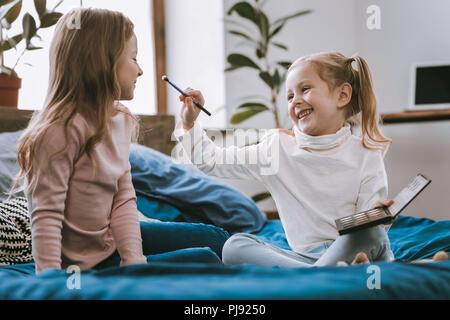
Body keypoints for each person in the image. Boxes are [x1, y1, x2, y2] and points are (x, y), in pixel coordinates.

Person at [8, 8, 228, 275]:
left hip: (110, 243)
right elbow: (46, 215)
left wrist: (133, 259)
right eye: (134, 58)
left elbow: (123, 198)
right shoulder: (57, 131)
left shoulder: (120, 120)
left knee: (217, 239)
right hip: (78, 266)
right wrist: (50, 278)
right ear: (101, 61)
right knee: (205, 259)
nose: (141, 70)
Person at [173, 52, 396, 267]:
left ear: (342, 95)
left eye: (305, 89)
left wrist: (375, 217)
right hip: (304, 259)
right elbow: (211, 161)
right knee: (235, 245)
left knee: (372, 233)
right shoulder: (276, 149)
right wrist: (189, 124)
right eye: (290, 96)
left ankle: (325, 273)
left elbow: (371, 229)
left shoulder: (367, 153)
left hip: (350, 250)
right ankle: (323, 274)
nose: (295, 101)